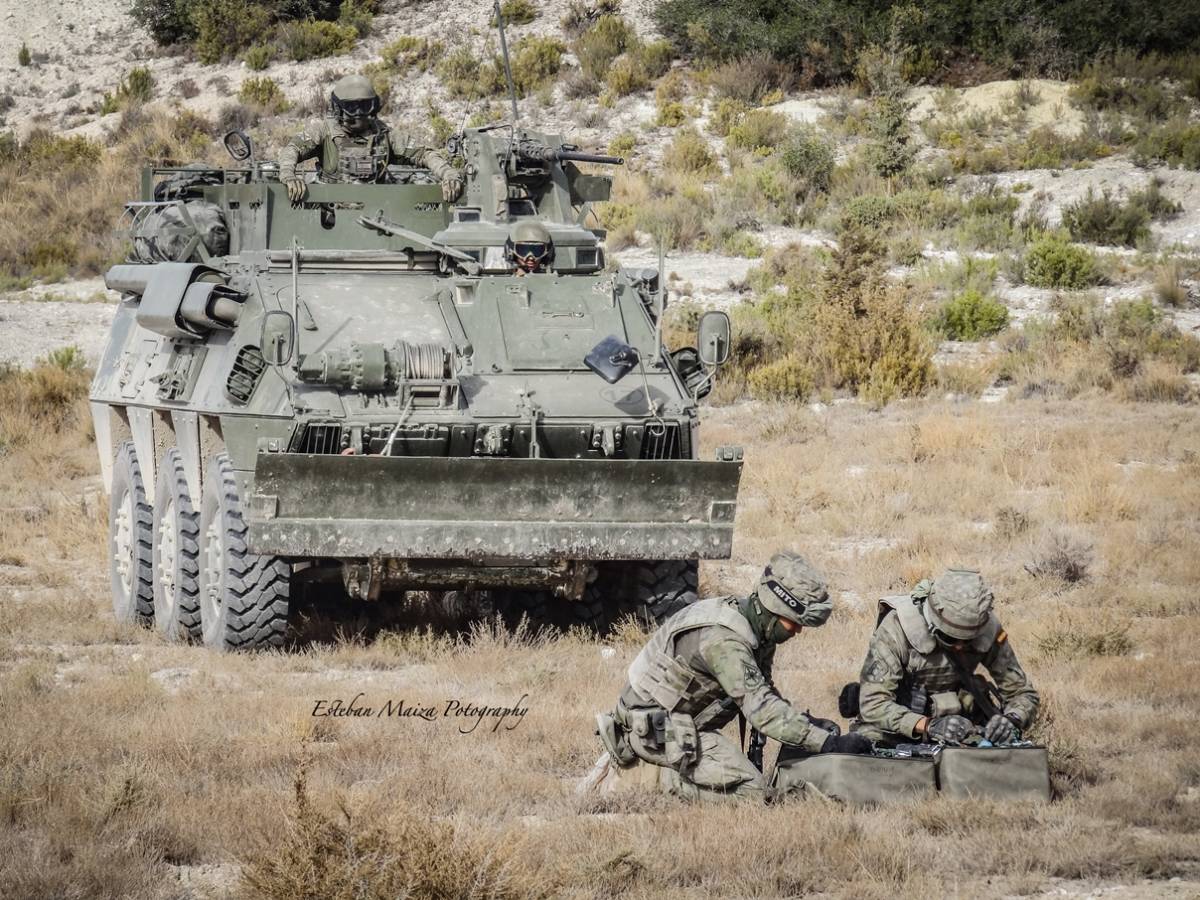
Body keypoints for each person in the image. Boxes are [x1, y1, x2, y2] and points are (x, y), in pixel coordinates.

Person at [592, 552, 872, 802]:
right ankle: (644, 778)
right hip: (655, 731)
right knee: (753, 793)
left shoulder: (756, 627)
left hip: (680, 724)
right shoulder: (724, 641)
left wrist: (809, 726)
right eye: (794, 624)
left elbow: (763, 692)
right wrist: (826, 743)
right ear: (775, 610)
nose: (797, 632)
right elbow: (761, 711)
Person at [847, 568, 1039, 747]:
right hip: (899, 728)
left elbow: (1022, 693)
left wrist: (1011, 720)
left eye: (968, 641)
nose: (959, 646)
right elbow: (873, 703)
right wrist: (928, 725)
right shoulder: (897, 629)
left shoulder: (988, 629)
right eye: (950, 639)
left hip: (962, 729)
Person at [278, 74, 463, 203]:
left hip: (377, 212)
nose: (359, 114)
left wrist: (449, 174)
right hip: (331, 213)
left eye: (365, 106)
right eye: (353, 107)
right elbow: (292, 149)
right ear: (338, 108)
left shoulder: (384, 135)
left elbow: (425, 154)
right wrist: (288, 175)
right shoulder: (324, 131)